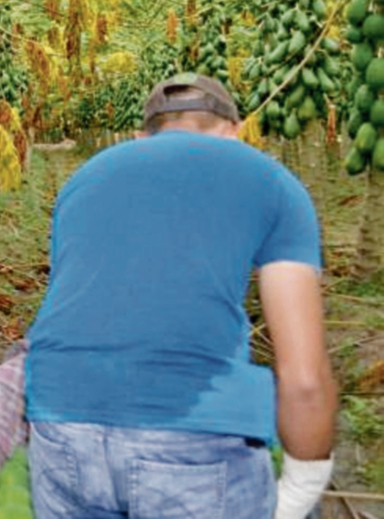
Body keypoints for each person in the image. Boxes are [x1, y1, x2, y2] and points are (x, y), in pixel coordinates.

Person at [24, 73, 338, 519]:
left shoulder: (83, 178)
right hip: (194, 435)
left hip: (59, 419)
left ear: (140, 136)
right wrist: (302, 487)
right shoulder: (272, 182)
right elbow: (304, 379)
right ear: (235, 131)